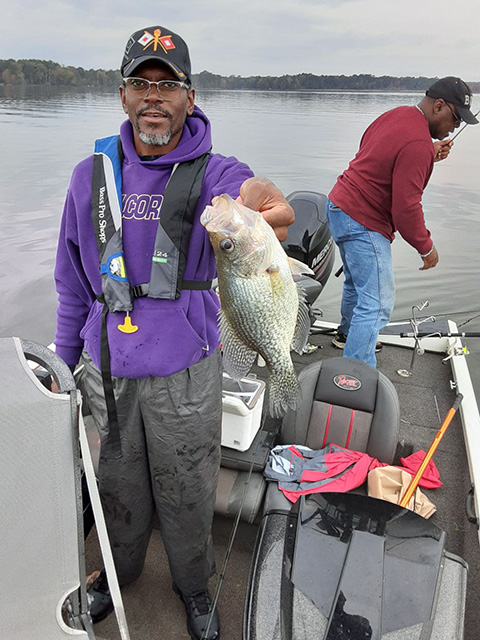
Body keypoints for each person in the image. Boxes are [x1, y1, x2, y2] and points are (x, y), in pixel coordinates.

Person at [53, 25, 294, 640]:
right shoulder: (89, 177)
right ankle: (116, 571)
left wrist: (263, 203)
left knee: (189, 485)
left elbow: (249, 192)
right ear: (123, 96)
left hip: (187, 364)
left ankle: (193, 586)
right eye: (141, 83)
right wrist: (62, 364)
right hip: (110, 365)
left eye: (168, 85)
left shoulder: (215, 173)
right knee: (117, 483)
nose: (153, 97)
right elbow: (72, 284)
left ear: (191, 97)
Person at [326, 76, 478, 368]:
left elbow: (376, 152)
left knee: (357, 286)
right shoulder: (418, 144)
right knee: (377, 304)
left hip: (339, 206)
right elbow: (406, 209)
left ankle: (347, 336)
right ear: (440, 106)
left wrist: (427, 153)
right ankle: (355, 374)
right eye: (456, 118)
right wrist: (426, 247)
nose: (455, 127)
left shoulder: (397, 115)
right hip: (364, 222)